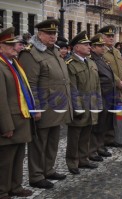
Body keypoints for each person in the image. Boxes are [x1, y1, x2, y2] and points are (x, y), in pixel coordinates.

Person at [18, 19, 72, 189]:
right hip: (44, 106)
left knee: (53, 141)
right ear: (39, 35)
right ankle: (36, 175)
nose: (53, 36)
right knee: (38, 143)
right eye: (49, 33)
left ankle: (48, 169)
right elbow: (30, 84)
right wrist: (35, 108)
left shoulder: (54, 51)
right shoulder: (31, 54)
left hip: (57, 105)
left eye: (54, 33)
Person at [0, 27, 34, 199]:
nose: (16, 47)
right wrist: (6, 125)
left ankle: (16, 186)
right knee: (5, 160)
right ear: (0, 47)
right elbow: (1, 100)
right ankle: (3, 190)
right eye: (10, 44)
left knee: (19, 156)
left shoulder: (14, 64)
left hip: (21, 119)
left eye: (16, 44)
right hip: (10, 122)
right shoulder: (1, 66)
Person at [65, 31, 102, 174]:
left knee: (86, 135)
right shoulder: (70, 64)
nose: (89, 47)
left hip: (91, 105)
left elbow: (97, 86)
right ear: (76, 47)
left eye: (89, 44)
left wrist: (98, 104)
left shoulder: (91, 62)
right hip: (79, 107)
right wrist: (77, 109)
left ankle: (83, 159)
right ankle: (72, 162)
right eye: (85, 44)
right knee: (74, 137)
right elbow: (72, 89)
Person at [98, 25, 122, 147]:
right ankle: (103, 140)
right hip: (109, 88)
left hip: (119, 89)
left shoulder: (116, 51)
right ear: (102, 37)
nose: (111, 38)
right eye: (108, 36)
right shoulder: (102, 52)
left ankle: (111, 137)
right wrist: (118, 82)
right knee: (106, 115)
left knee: (116, 114)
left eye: (112, 36)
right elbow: (107, 70)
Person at [89, 33, 115, 160]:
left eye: (103, 45)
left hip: (107, 96)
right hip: (99, 95)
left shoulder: (101, 58)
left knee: (103, 124)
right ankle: (93, 150)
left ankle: (100, 146)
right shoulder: (92, 60)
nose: (103, 48)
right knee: (96, 125)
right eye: (100, 46)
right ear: (93, 47)